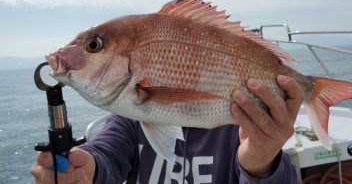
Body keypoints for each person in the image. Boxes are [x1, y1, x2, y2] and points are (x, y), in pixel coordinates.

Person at [31, 75, 304, 184]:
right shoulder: (132, 116)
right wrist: (85, 167)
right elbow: (107, 152)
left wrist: (260, 163)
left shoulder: (247, 124)